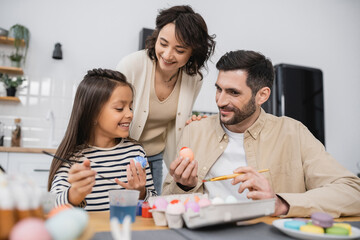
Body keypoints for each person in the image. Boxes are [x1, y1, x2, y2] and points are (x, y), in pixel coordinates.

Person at [162, 50, 360, 217]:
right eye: (218, 89)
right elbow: (165, 203)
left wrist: (280, 203)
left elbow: (353, 191)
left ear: (262, 95)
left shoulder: (293, 133)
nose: (220, 101)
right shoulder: (194, 131)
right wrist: (184, 187)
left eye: (233, 92)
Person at [116, 5, 215, 194]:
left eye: (179, 50)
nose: (168, 55)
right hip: (119, 156)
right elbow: (107, 111)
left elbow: (176, 124)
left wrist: (192, 125)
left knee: (149, 213)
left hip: (154, 158)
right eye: (163, 43)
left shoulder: (194, 79)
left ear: (193, 52)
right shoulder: (131, 65)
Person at [48, 69, 156, 211]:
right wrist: (75, 194)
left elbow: (155, 203)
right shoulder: (73, 157)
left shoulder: (135, 152)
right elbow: (51, 207)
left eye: (130, 107)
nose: (130, 114)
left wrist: (141, 193)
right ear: (92, 114)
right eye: (119, 108)